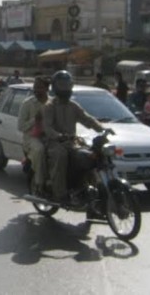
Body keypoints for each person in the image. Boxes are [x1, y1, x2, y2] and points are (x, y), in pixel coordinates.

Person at [43, 70, 109, 204]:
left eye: (67, 84)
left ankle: (89, 189)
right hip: (55, 143)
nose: (65, 88)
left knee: (90, 156)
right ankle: (60, 194)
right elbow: (47, 128)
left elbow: (87, 119)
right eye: (62, 85)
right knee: (61, 156)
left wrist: (102, 128)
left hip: (73, 142)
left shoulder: (73, 106)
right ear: (55, 87)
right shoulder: (49, 106)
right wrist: (59, 136)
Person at [17, 76, 50, 195]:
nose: (36, 90)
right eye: (35, 87)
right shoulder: (28, 104)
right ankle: (39, 183)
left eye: (40, 87)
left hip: (50, 137)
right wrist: (34, 120)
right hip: (32, 138)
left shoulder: (52, 103)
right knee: (40, 150)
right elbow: (20, 126)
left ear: (47, 88)